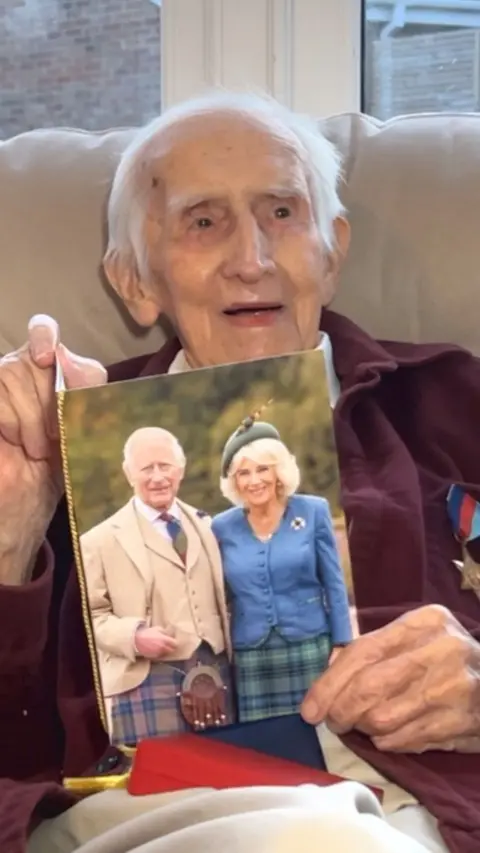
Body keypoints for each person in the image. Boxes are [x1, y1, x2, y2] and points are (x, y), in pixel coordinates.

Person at [0, 90, 479, 853]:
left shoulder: (456, 402)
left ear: (334, 248)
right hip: (145, 811)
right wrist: (12, 540)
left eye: (282, 213)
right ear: (135, 281)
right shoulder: (63, 436)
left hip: (415, 815)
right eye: (203, 221)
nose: (251, 258)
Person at [79, 426, 233, 746]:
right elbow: (89, 618)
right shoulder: (97, 541)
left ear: (181, 469)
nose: (158, 477)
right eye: (147, 468)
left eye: (165, 466)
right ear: (128, 474)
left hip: (216, 674)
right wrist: (132, 637)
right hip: (145, 680)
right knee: (161, 788)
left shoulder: (209, 526)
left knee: (226, 780)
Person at [212, 417, 352, 722]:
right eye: (244, 473)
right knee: (264, 749)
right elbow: (217, 595)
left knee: (320, 734)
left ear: (279, 472)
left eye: (263, 469)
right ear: (234, 481)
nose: (254, 480)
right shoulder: (220, 527)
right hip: (251, 654)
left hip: (310, 645)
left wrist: (342, 643)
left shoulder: (313, 511)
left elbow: (334, 582)